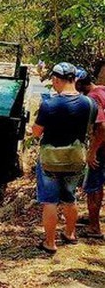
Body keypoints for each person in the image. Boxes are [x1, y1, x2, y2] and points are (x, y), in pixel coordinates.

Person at [32, 62, 103, 254]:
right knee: (70, 198)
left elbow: (36, 133)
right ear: (75, 79)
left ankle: (50, 243)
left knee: (50, 201)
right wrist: (92, 151)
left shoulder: (49, 104)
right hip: (75, 159)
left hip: (50, 160)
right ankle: (70, 234)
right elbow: (98, 127)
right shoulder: (89, 103)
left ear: (56, 80)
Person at [75, 67, 105, 239]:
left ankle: (94, 227)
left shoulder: (92, 99)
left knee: (93, 186)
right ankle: (92, 218)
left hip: (102, 147)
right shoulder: (101, 89)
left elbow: (102, 128)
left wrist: (92, 151)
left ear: (79, 83)